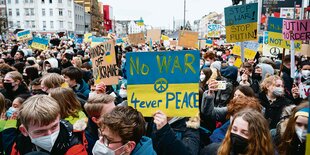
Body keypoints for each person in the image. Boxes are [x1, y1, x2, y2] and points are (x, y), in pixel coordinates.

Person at [11, 95, 88, 155]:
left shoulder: (75, 145)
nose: (50, 134)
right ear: (24, 131)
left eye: (54, 127)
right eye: (40, 131)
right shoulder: (20, 144)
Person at [203, 109, 274, 155]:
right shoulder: (213, 151)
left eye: (244, 132)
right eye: (234, 129)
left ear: (257, 137)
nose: (237, 134)